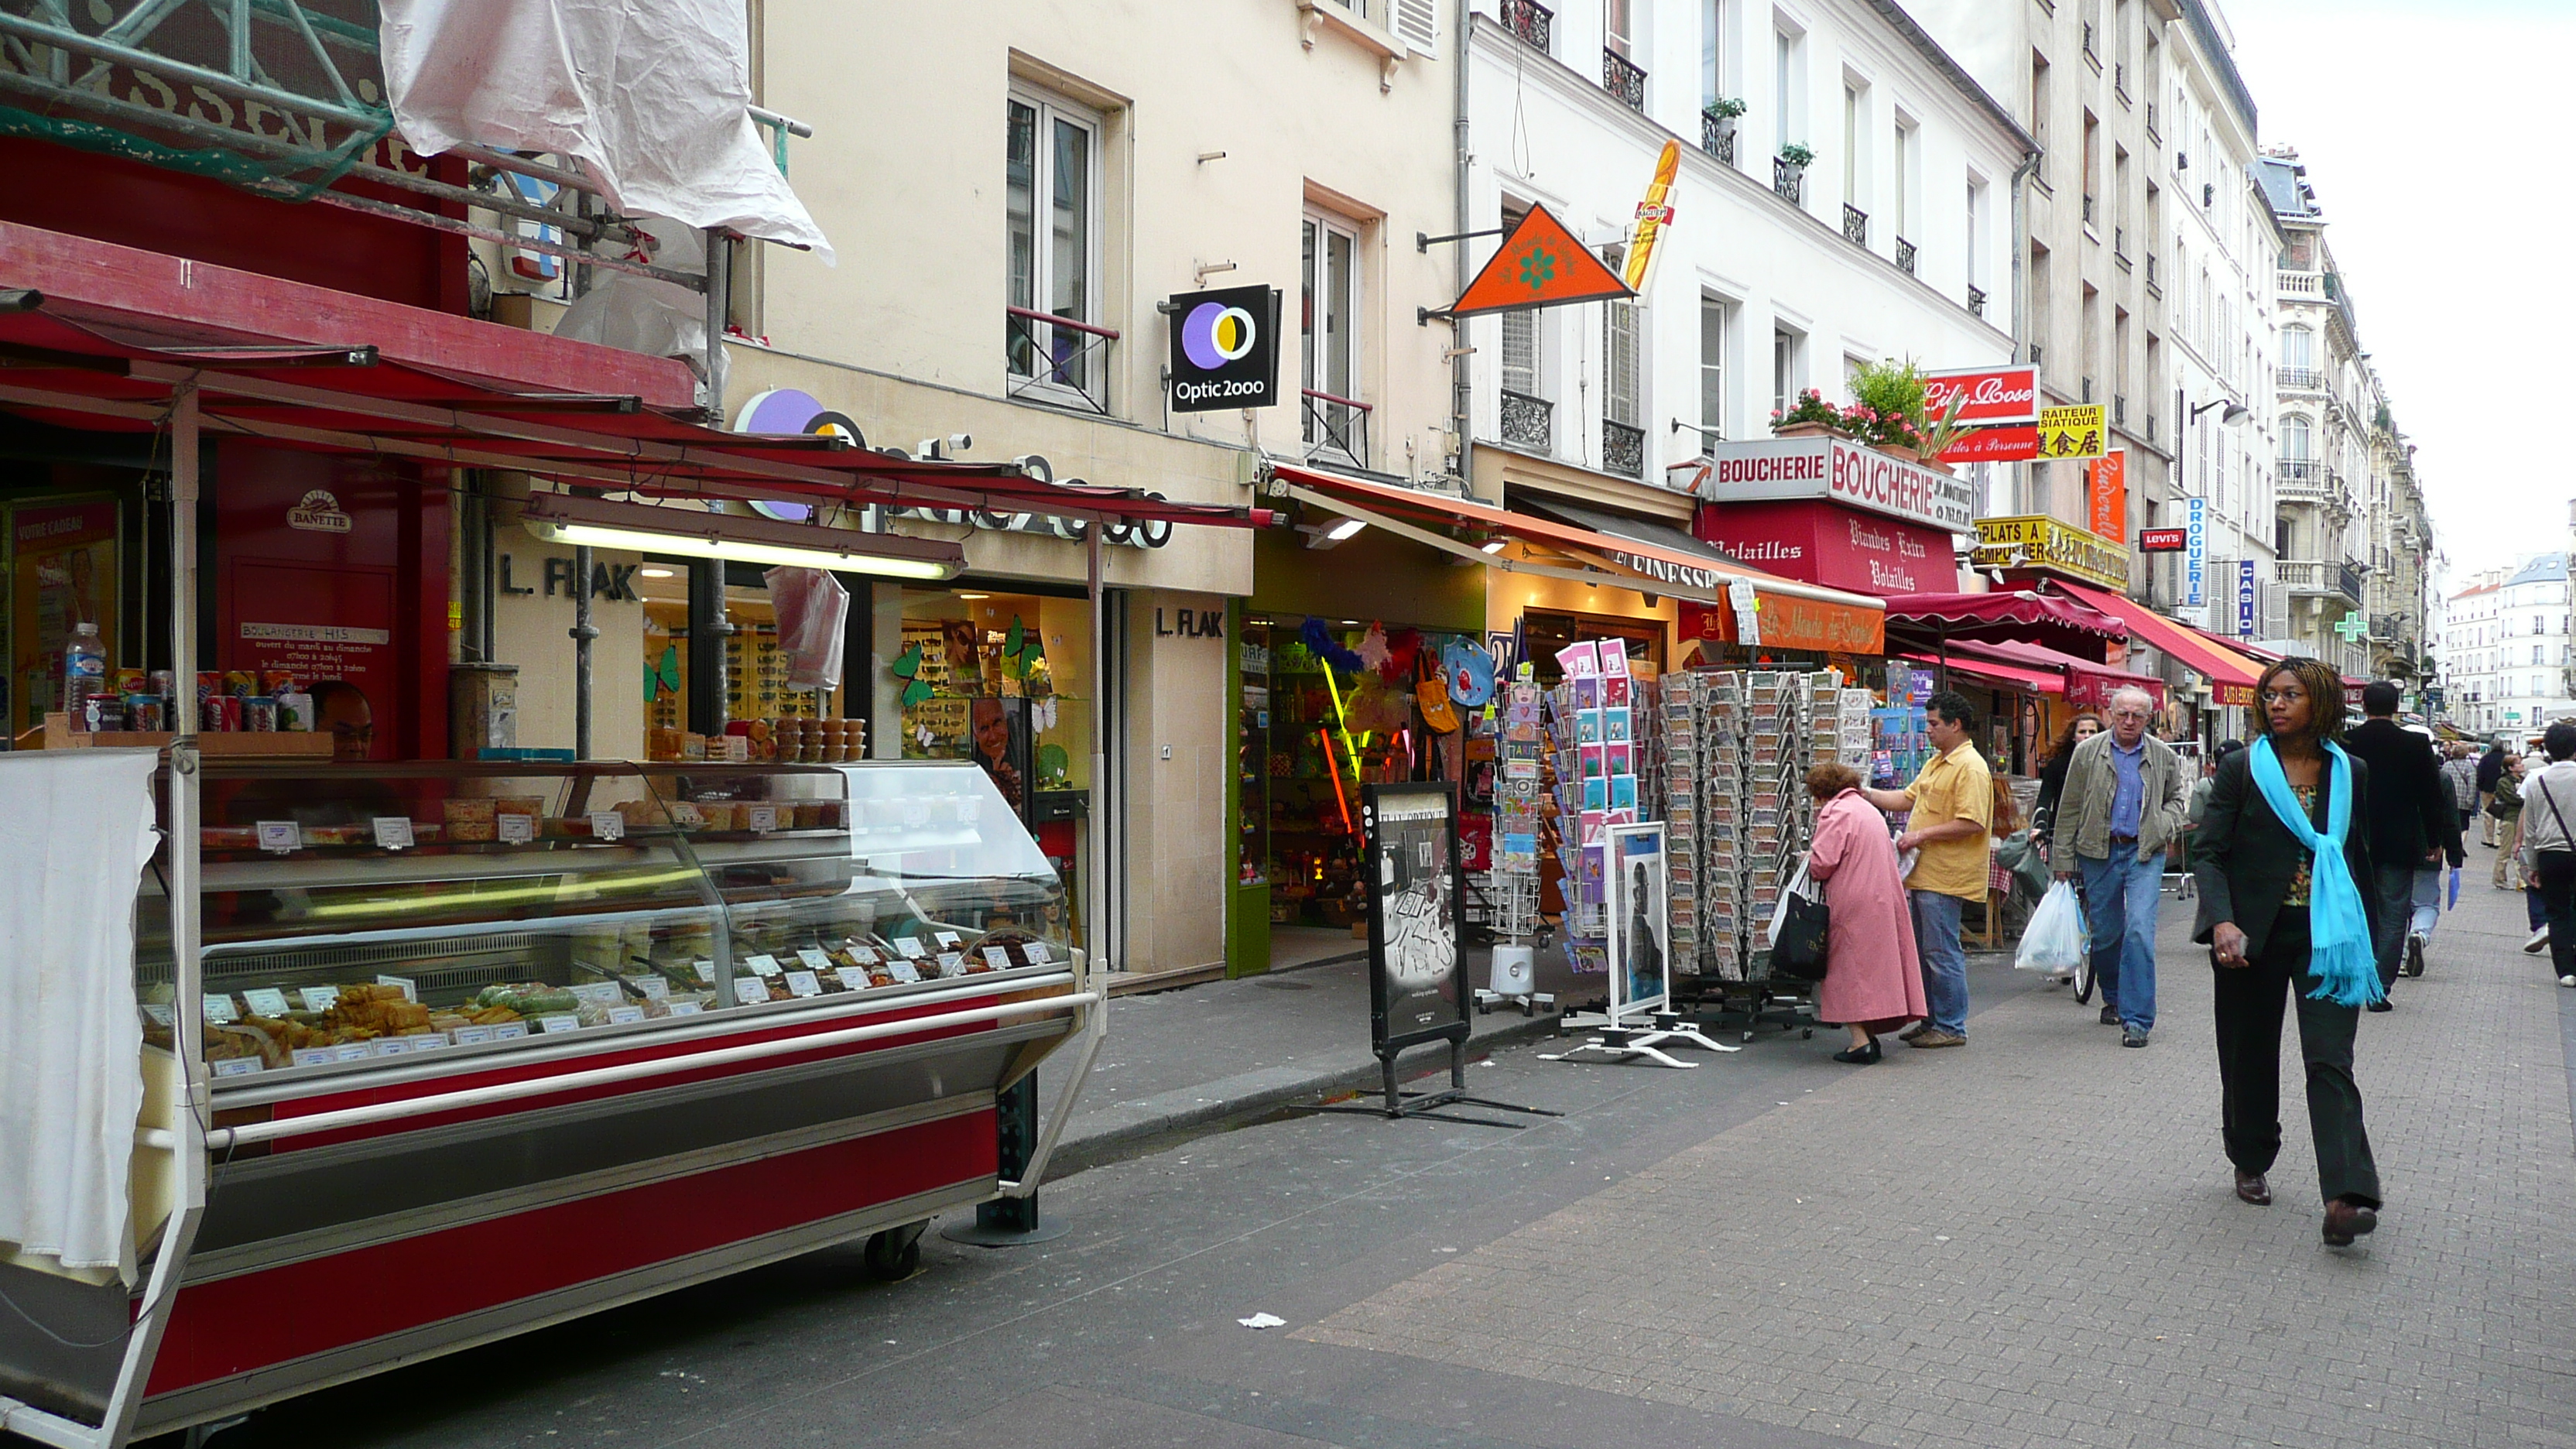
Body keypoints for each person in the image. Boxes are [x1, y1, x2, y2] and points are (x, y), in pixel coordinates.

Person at [2191, 656, 2384, 1247]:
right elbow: (2208, 850)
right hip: (2250, 936)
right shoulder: (2241, 768)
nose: (2276, 704)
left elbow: (2358, 857)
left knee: (2331, 1060)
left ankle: (2346, 1195)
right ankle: (2250, 1158)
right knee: (2249, 1054)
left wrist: (2371, 943)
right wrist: (2221, 921)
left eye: (2291, 694)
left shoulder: (2351, 771)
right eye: (2270, 694)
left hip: (2328, 938)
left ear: (2320, 702)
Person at [2049, 687, 2189, 1046]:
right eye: (2123, 714)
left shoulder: (2161, 755)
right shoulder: (2087, 753)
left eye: (2137, 716)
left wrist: (2164, 823)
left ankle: (2138, 1019)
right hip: (2099, 852)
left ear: (2148, 718)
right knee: (2107, 934)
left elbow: (2177, 798)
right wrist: (2062, 860)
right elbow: (2069, 808)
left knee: (2140, 930)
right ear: (2110, 714)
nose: (2129, 721)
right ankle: (2111, 995)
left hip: (2144, 852)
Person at [1862, 690, 1992, 1050]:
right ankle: (1932, 1019)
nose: (1929, 731)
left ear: (1956, 725)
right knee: (1924, 950)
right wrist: (1864, 793)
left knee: (1941, 951)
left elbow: (1972, 822)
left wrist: (1920, 835)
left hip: (1946, 874)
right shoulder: (1938, 761)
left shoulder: (1970, 767)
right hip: (1924, 873)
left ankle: (1951, 1025)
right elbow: (1907, 798)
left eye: (1934, 724)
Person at [2339, 682, 2461, 1005]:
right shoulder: (2415, 744)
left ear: (2363, 706)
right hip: (2399, 842)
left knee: (2355, 911)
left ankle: (2353, 978)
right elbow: (2431, 796)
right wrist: (2435, 840)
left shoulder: (2346, 741)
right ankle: (2380, 987)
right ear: (2397, 708)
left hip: (2351, 841)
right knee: (2393, 916)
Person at [1804, 762, 1927, 1063]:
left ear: (1822, 793)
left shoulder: (1835, 813)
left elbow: (1823, 863)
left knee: (1847, 970)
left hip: (1852, 901)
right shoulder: (1867, 810)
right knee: (1873, 970)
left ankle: (1860, 1042)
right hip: (1883, 898)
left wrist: (1808, 858)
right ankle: (1870, 1034)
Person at [2516, 724, 2576, 990]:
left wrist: (2533, 865)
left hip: (2551, 854)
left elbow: (2531, 828)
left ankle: (2566, 971)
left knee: (2558, 912)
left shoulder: (2536, 780)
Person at [2030, 712, 2103, 854]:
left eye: (2092, 732)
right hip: (2063, 832)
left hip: (2098, 834)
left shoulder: (2110, 763)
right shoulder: (2057, 764)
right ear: (2073, 736)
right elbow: (2045, 798)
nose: (2087, 736)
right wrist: (2040, 825)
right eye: (2082, 732)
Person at [2492, 752, 2526, 889]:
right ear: (2511, 768)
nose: (2522, 764)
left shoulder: (2522, 780)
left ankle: (2522, 881)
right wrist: (2526, 799)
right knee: (2505, 851)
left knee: (2522, 851)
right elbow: (2513, 799)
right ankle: (2499, 879)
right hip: (2510, 818)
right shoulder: (2504, 782)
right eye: (2518, 763)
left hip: (2522, 819)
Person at [2441, 744, 2481, 842]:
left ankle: (2448, 844)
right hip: (2463, 801)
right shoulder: (2470, 767)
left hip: (2447, 801)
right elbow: (2472, 785)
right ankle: (2460, 843)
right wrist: (2471, 801)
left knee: (2448, 825)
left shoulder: (2447, 765)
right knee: (2464, 826)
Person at [2476, 740, 2508, 845]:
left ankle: (2488, 839)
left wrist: (2480, 786)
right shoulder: (2506, 758)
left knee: (2488, 813)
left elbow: (2480, 774)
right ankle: (2498, 840)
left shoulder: (2485, 758)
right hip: (2503, 790)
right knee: (2501, 814)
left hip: (2487, 789)